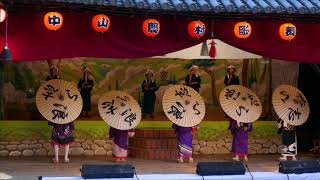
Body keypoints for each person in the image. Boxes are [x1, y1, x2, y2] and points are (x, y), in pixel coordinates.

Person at [46, 65, 75, 163]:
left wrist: (51, 121)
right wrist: (72, 126)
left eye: (55, 70)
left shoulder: (54, 105)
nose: (54, 71)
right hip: (66, 123)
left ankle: (58, 158)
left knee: (56, 142)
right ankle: (65, 158)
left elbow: (52, 116)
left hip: (58, 121)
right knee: (66, 142)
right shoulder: (68, 104)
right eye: (52, 70)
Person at [224, 64, 251, 161]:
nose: (231, 70)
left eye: (232, 69)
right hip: (229, 92)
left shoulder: (236, 77)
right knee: (243, 140)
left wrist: (233, 125)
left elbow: (238, 83)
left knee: (239, 140)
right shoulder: (227, 77)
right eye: (230, 69)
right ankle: (243, 156)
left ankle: (239, 156)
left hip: (240, 125)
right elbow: (226, 83)